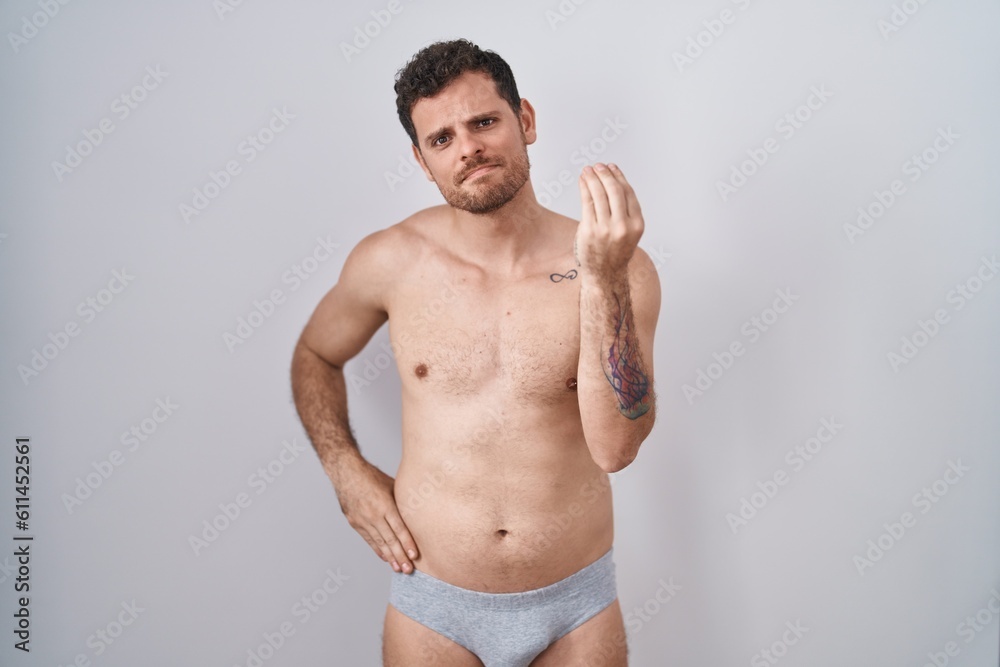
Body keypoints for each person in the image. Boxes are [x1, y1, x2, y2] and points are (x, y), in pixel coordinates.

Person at [290, 38, 660, 667]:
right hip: (434, 606)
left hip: (576, 607)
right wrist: (343, 468)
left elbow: (616, 448)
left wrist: (603, 279)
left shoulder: (615, 267)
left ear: (527, 121)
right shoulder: (390, 261)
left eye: (484, 121)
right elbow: (315, 354)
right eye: (442, 139)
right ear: (421, 158)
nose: (468, 148)